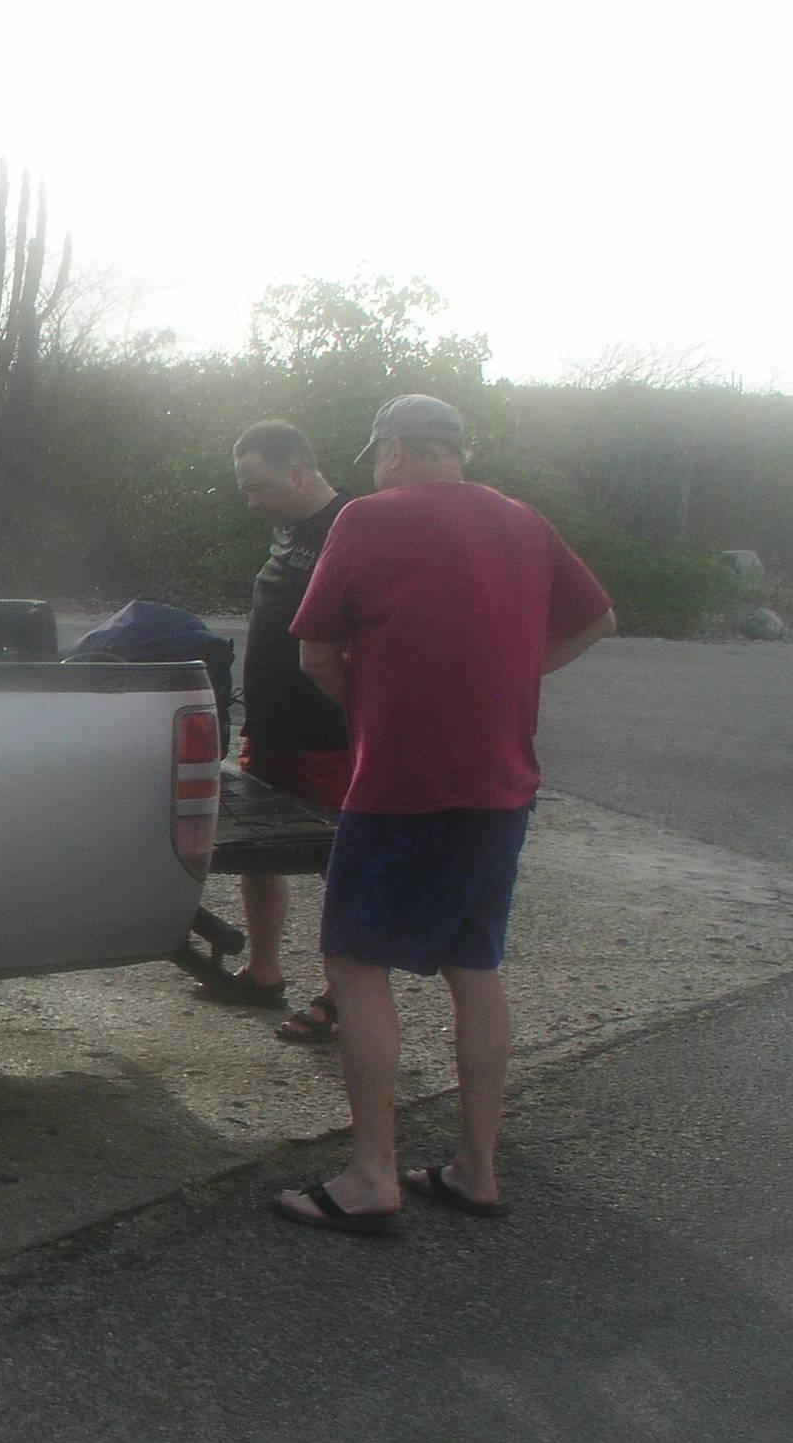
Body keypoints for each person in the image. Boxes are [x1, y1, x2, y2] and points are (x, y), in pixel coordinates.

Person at [271, 396, 616, 1238]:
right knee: (474, 962)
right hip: (502, 783)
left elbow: (315, 654)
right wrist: (507, 675)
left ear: (390, 449)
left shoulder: (367, 519)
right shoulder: (524, 521)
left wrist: (379, 699)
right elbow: (598, 617)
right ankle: (476, 1168)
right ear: (458, 451)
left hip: (400, 783)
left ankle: (372, 1174)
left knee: (355, 964)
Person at [200, 420, 355, 1043]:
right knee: (261, 857)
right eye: (244, 488)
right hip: (270, 726)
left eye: (258, 486)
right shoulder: (289, 530)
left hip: (329, 734)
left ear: (300, 471)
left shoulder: (355, 526)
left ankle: (343, 995)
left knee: (342, 866)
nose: (251, 501)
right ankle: (262, 971)